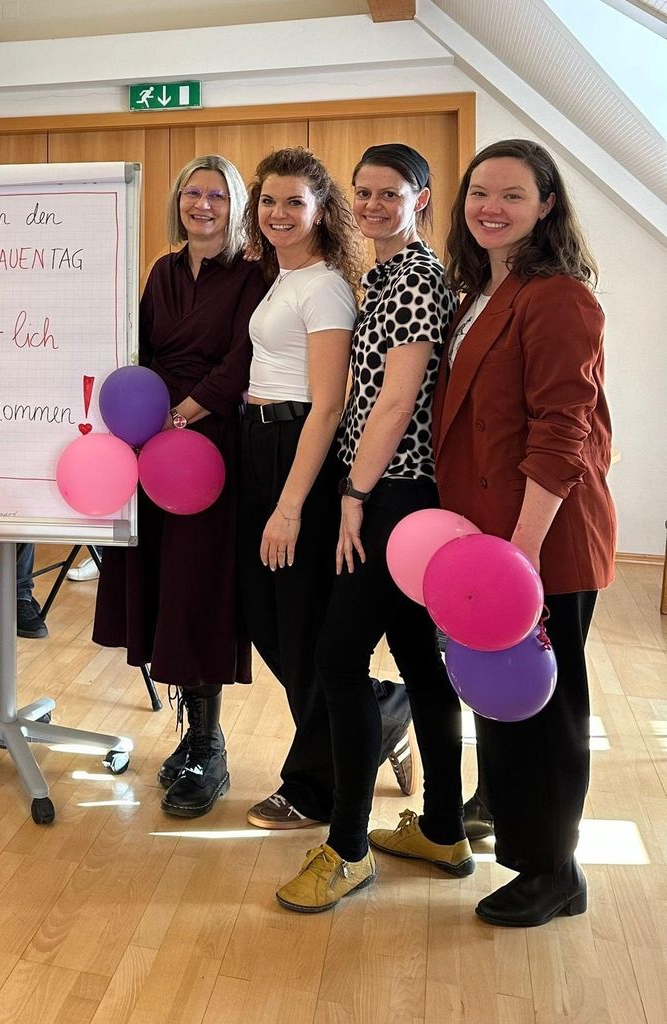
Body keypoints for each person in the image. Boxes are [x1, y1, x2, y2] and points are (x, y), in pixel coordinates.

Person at [275, 144, 464, 912]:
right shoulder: (383, 274)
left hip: (395, 495)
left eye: (391, 192)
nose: (375, 204)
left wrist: (355, 494)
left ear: (422, 197)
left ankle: (348, 847)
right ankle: (444, 828)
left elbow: (395, 402)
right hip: (389, 492)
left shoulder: (417, 277)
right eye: (363, 193)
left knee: (338, 656)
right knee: (419, 658)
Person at [433, 139, 614, 927]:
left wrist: (524, 549)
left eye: (511, 194)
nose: (490, 208)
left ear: (547, 205)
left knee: (547, 708)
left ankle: (554, 872)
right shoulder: (482, 289)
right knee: (502, 698)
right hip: (491, 539)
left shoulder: (559, 296)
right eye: (479, 193)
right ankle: (512, 819)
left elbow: (562, 431)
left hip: (540, 539)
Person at [237, 147, 413, 832]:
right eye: (269, 201)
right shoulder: (281, 277)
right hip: (259, 444)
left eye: (294, 203)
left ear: (321, 211)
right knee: (266, 618)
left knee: (301, 626)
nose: (279, 214)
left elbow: (328, 406)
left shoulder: (327, 286)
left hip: (297, 454)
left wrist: (288, 505)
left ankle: (312, 786)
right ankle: (380, 708)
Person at [93, 155, 267, 817]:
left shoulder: (252, 275)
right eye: (192, 194)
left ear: (236, 204)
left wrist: (186, 411)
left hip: (208, 446)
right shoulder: (163, 271)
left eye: (216, 196)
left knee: (200, 589)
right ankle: (187, 734)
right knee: (165, 585)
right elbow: (137, 349)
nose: (202, 205)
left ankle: (206, 743)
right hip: (152, 444)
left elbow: (243, 358)